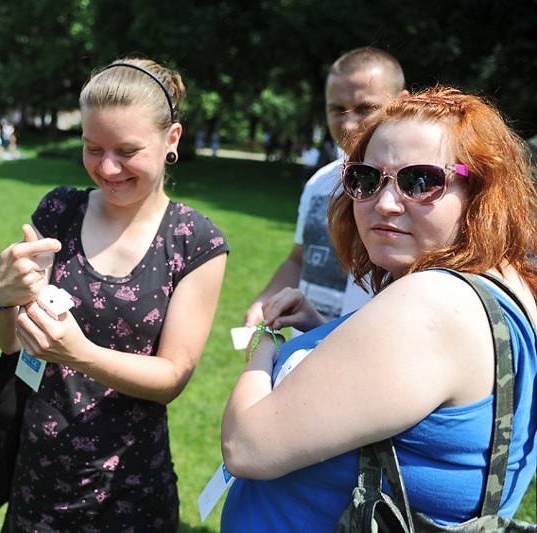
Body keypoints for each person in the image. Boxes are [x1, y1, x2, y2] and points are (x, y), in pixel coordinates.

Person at [221, 87, 537, 530]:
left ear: (481, 188)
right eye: (366, 179)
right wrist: (323, 334)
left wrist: (265, 345)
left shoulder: (429, 307)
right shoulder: (504, 282)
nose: (385, 203)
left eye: (421, 181)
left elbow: (246, 447)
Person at [0, 58, 229, 531]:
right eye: (92, 148)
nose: (107, 167)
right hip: (40, 478)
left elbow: (173, 375)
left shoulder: (195, 241)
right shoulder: (58, 210)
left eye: (126, 150)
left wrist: (80, 354)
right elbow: (8, 341)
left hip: (130, 490)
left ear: (171, 139)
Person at [245, 47, 407, 329]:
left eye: (364, 108)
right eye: (336, 109)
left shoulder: (413, 193)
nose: (347, 123)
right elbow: (298, 259)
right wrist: (265, 300)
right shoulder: (320, 183)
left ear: (402, 104)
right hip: (302, 356)